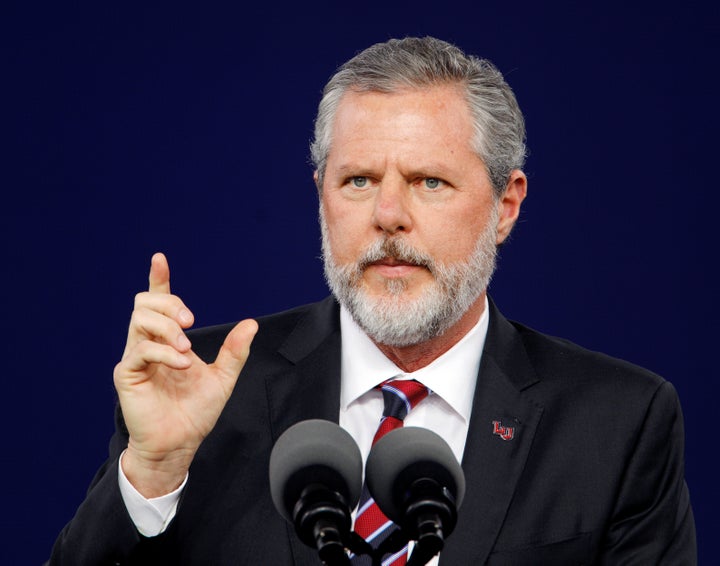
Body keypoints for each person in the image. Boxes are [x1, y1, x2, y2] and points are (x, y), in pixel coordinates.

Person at [48, 36, 696, 565]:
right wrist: (152, 474)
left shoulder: (619, 423)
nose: (388, 215)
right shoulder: (207, 388)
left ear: (506, 205)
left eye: (429, 182)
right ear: (321, 195)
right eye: (358, 180)